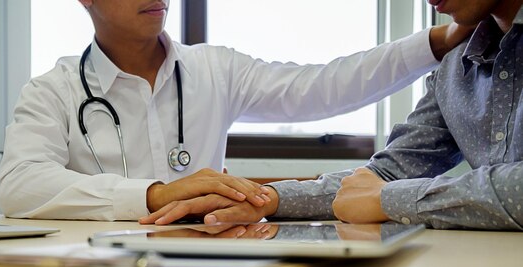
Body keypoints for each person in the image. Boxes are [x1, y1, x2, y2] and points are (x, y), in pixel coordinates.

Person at [0, 0, 471, 221]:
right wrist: (156, 194)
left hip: (204, 266)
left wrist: (435, 42)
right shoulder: (51, 92)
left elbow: (322, 85)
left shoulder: (215, 69)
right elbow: (19, 186)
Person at [141, 0, 523, 231]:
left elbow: (384, 189)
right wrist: (266, 198)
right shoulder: (457, 70)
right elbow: (385, 175)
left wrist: (391, 199)